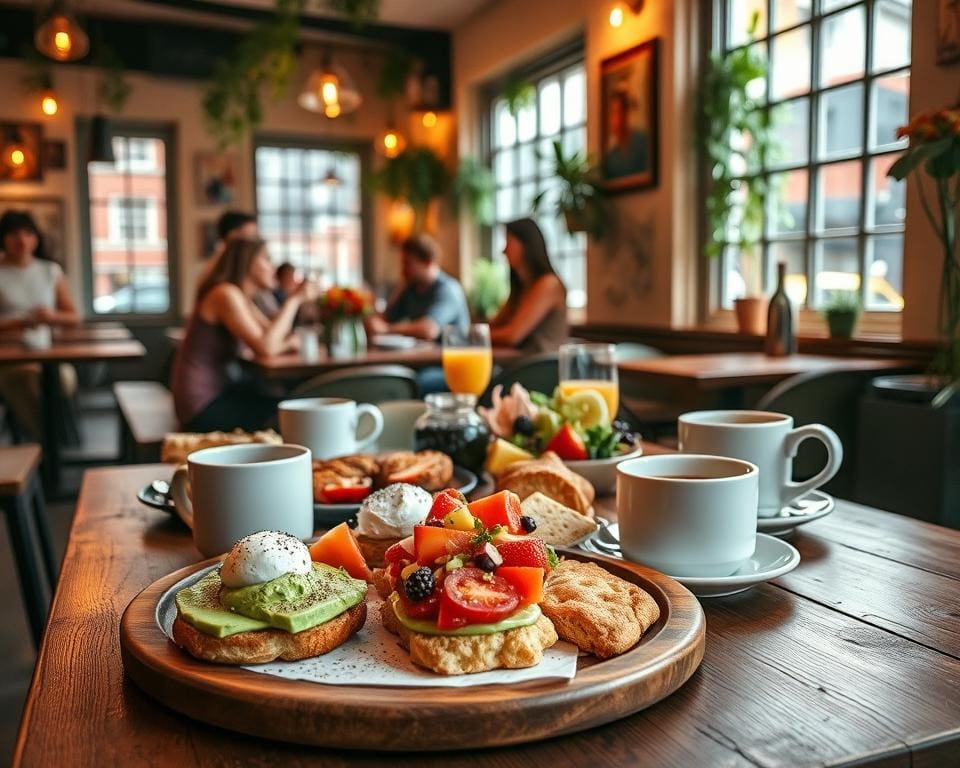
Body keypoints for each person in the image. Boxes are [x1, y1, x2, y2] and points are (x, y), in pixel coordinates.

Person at [171, 238, 317, 432]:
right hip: (202, 406)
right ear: (248, 261)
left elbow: (273, 336)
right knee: (294, 409)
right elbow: (266, 346)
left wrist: (296, 309)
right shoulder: (225, 294)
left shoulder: (240, 297)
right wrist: (295, 300)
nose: (272, 267)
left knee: (291, 401)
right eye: (266, 259)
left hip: (217, 394)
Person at [0, 210, 81, 438]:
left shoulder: (49, 271)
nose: (22, 240)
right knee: (27, 377)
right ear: (3, 238)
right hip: (8, 359)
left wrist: (51, 316)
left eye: (28, 233)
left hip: (46, 354)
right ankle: (47, 442)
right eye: (14, 234)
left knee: (61, 377)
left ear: (36, 238)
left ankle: (44, 445)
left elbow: (74, 317)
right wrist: (19, 323)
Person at [366, 234, 469, 341]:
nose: (403, 270)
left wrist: (387, 329)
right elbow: (386, 320)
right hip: (424, 355)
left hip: (450, 356)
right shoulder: (411, 287)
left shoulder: (448, 290)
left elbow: (428, 330)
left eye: (408, 264)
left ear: (428, 262)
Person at [489, 217, 568, 352]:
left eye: (508, 242)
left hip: (539, 369)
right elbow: (495, 325)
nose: (504, 251)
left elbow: (512, 335)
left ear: (526, 245)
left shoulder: (549, 284)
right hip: (516, 366)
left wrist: (473, 335)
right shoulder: (522, 286)